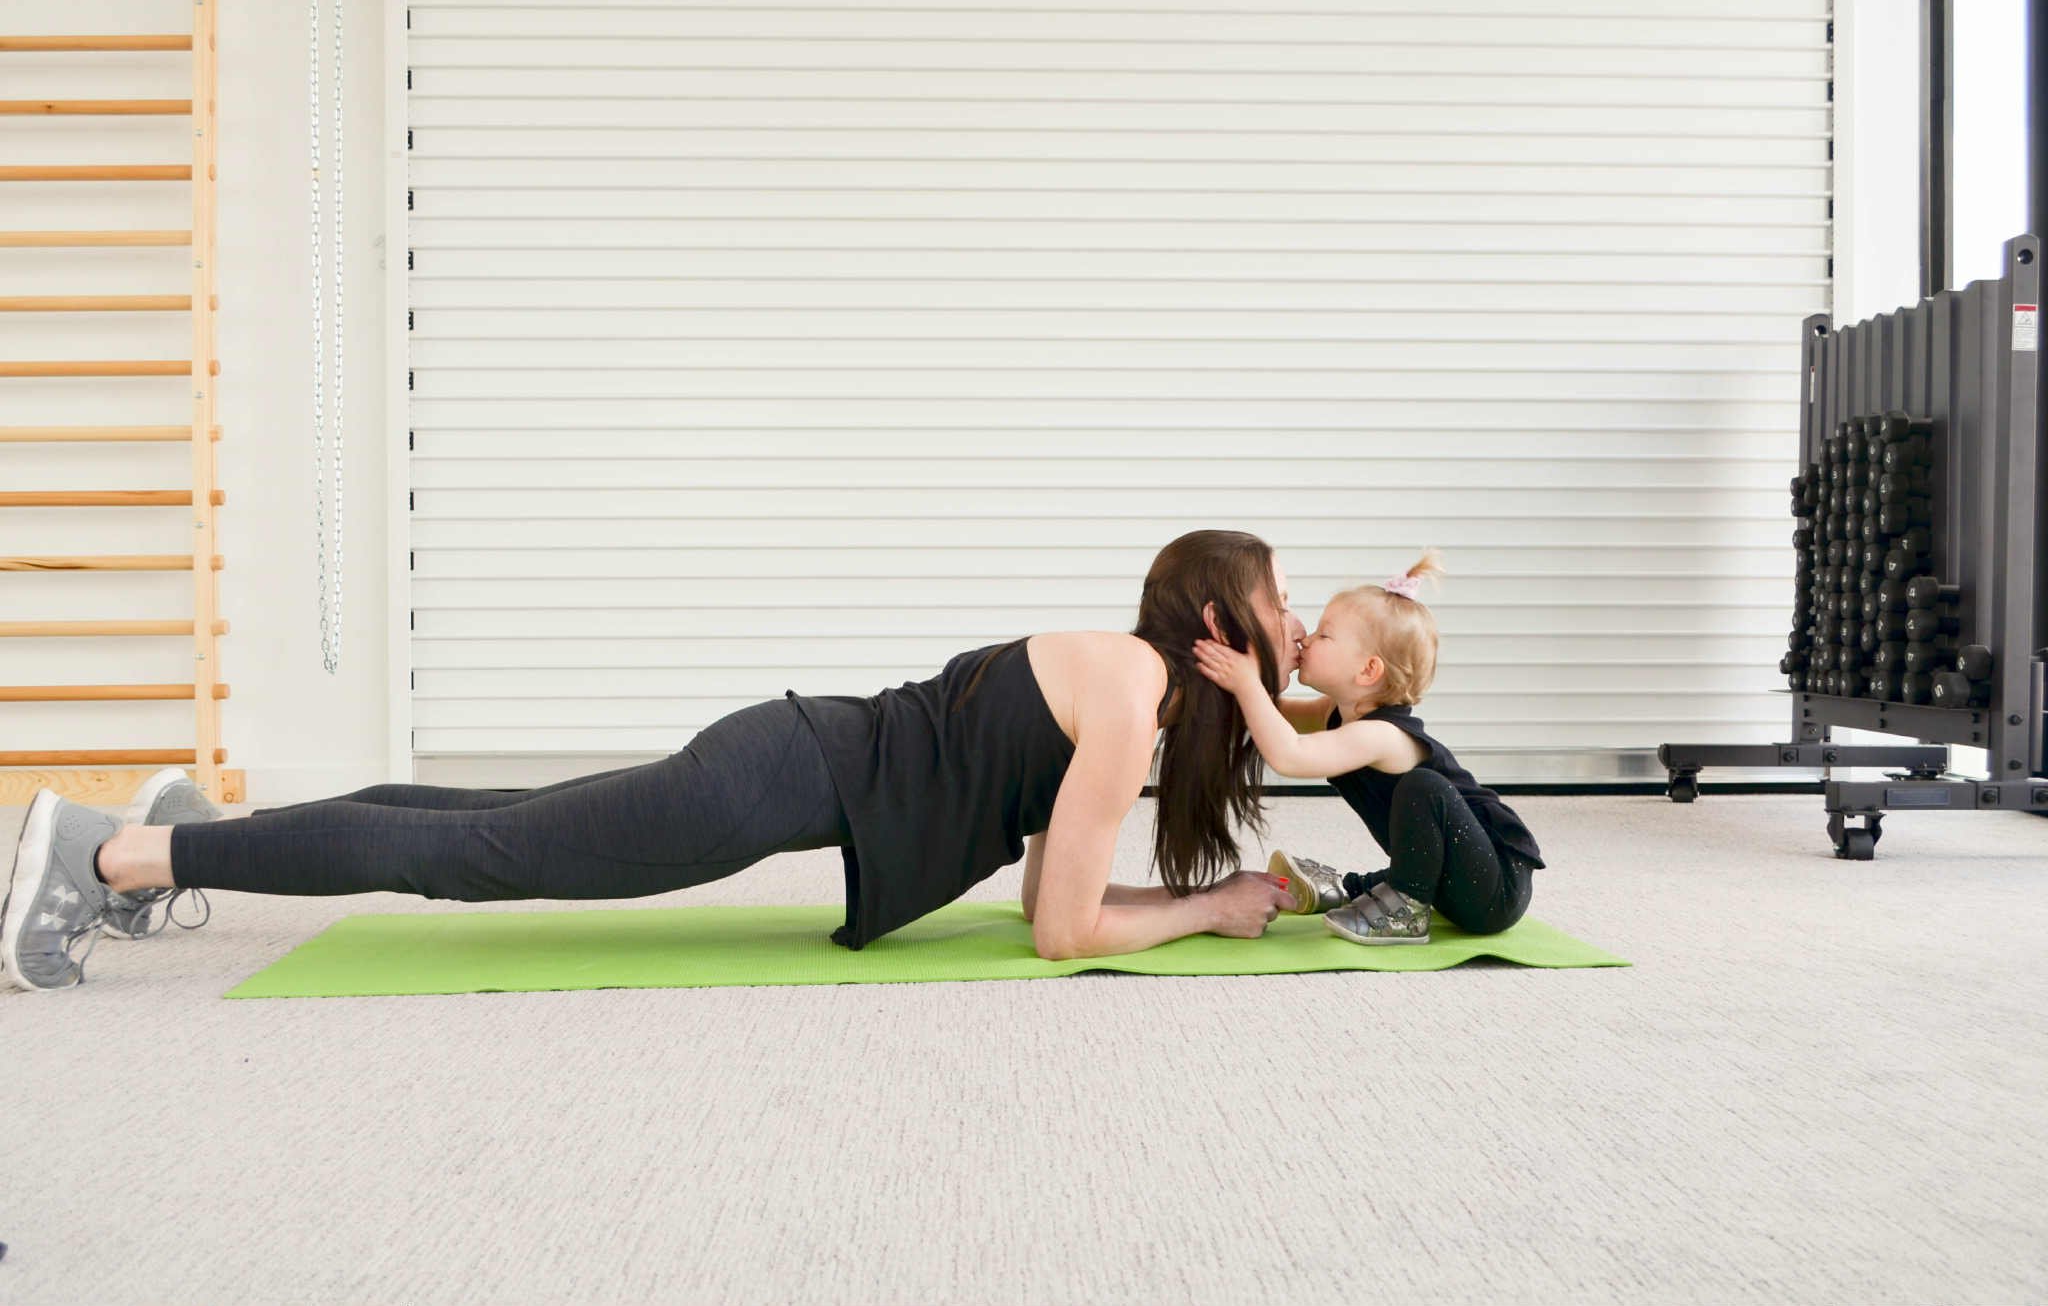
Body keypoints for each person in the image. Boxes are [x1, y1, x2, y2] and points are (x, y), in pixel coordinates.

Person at [4, 530, 1304, 991]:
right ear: (1214, 625)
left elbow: (1048, 900)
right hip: (768, 782)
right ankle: (112, 851)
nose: (1294, 624)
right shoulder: (1133, 701)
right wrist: (1209, 909)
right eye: (1281, 600)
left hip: (785, 757)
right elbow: (1066, 937)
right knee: (470, 857)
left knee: (472, 818)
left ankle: (178, 824)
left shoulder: (1128, 681)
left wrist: (1187, 901)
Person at [1190, 551, 1543, 947]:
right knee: (1406, 861)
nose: (1306, 638)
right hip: (1450, 880)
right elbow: (1274, 715)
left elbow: (1290, 755)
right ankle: (1343, 889)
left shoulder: (1383, 735)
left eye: (1324, 635)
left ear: (1368, 670)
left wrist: (1246, 684)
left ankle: (1405, 910)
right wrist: (1237, 675)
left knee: (1424, 786)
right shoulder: (1340, 713)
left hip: (1494, 887)